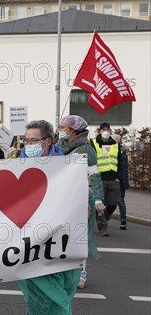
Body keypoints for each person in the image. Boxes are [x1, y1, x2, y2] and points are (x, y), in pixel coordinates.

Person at [16, 120, 89, 315]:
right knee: (36, 291)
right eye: (25, 141)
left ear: (47, 142)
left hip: (59, 240)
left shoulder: (68, 166)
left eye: (33, 141)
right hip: (28, 241)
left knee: (64, 284)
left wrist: (87, 193)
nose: (28, 145)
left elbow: (80, 194)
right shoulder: (15, 167)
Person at [57, 115, 104, 289]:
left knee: (79, 238)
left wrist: (98, 200)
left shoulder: (86, 149)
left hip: (81, 199)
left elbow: (95, 175)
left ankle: (81, 273)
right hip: (61, 199)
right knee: (63, 237)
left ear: (73, 130)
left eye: (63, 127)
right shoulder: (59, 147)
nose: (60, 130)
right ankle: (63, 272)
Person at [91, 122, 121, 236]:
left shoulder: (115, 144)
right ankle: (102, 226)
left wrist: (119, 177)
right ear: (99, 131)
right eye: (103, 129)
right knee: (101, 204)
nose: (105, 131)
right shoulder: (94, 143)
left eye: (107, 129)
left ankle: (104, 218)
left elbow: (120, 161)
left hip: (113, 178)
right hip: (100, 178)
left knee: (113, 203)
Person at [112, 134, 129, 230]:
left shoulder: (119, 152)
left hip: (118, 181)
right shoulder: (122, 152)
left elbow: (122, 169)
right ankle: (123, 220)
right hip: (119, 180)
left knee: (119, 200)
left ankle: (123, 220)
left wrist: (117, 178)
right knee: (119, 201)